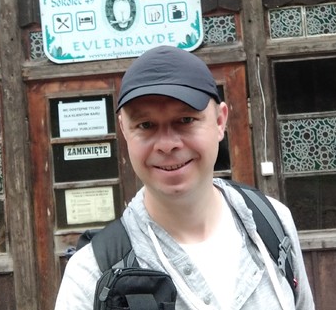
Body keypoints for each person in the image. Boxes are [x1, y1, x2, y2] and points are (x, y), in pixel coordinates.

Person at [55, 45, 315, 310]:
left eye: (186, 120)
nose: (167, 145)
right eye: (146, 125)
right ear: (124, 129)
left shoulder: (273, 224)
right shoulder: (91, 275)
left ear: (220, 121)